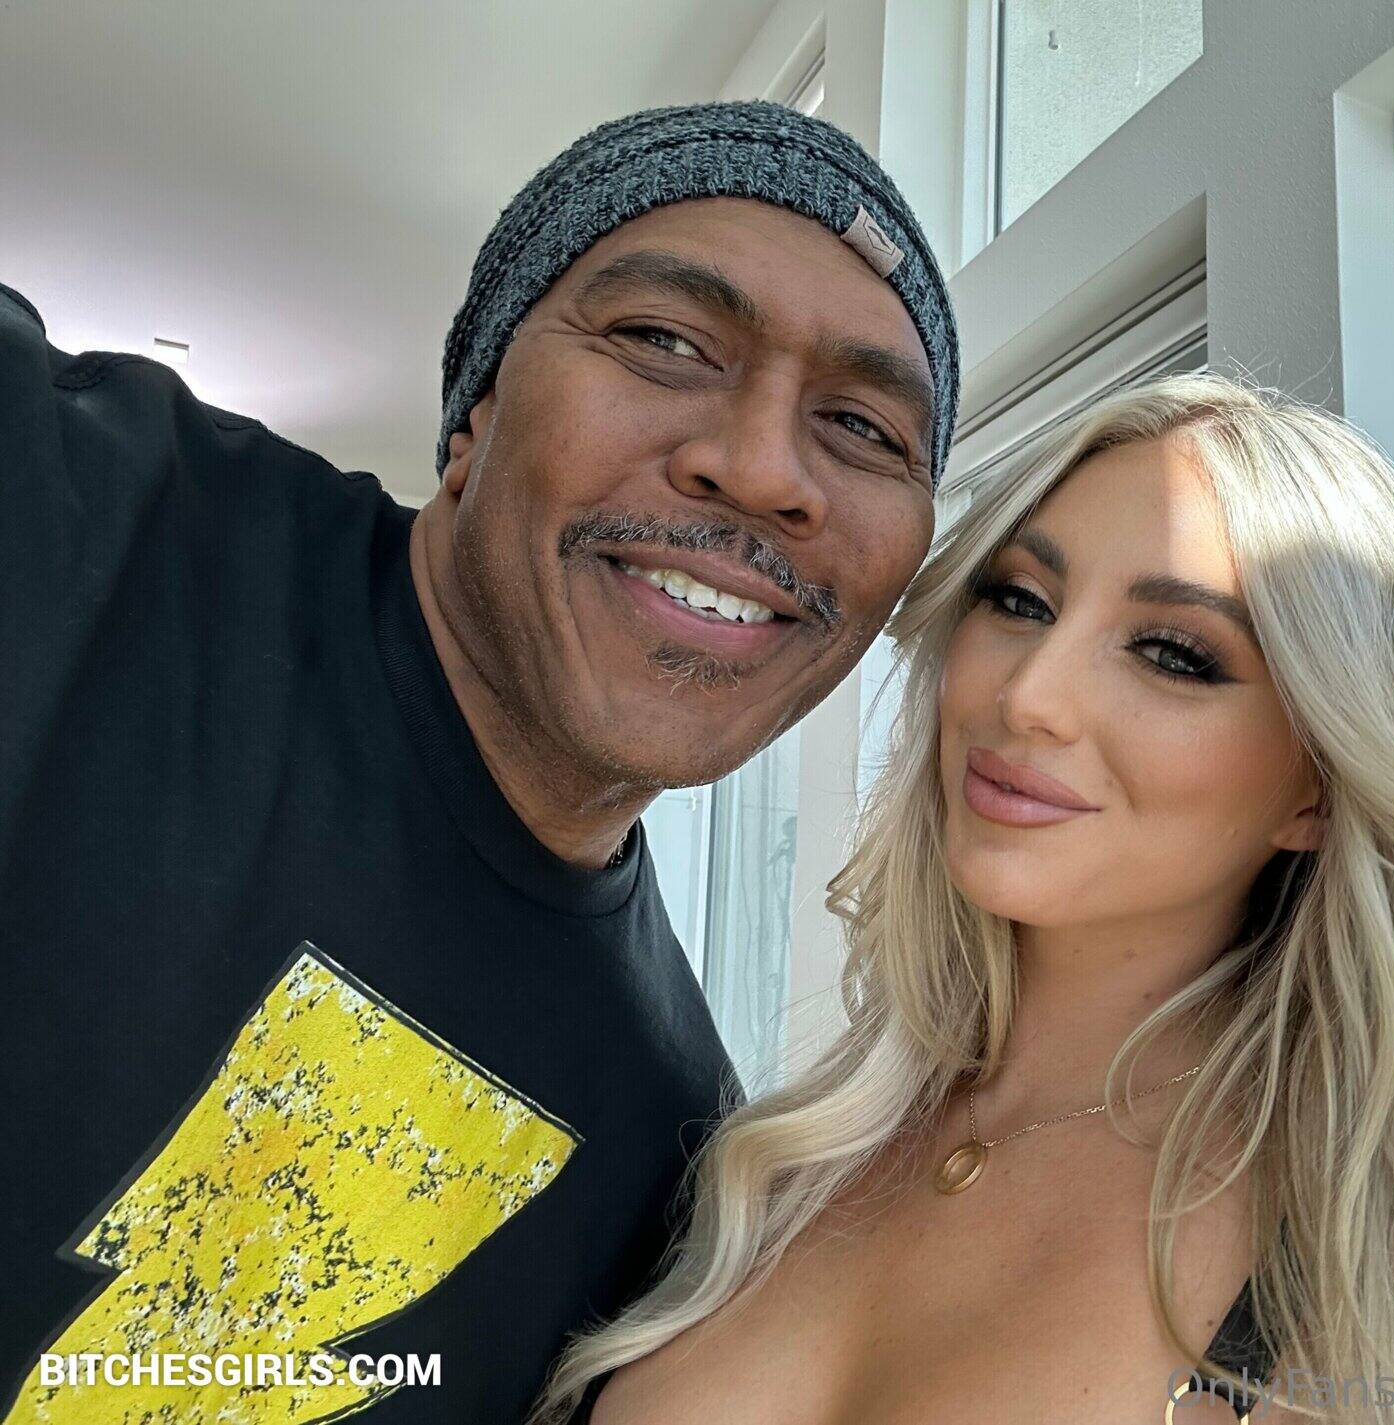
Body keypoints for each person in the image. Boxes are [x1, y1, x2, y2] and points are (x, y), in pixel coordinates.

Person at [0, 100, 958, 1424]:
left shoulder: (672, 1168)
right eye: (665, 341)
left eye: (863, 428)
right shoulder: (64, 505)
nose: (758, 468)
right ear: (475, 413)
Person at [540, 373, 1394, 1425]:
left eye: (1174, 654)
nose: (1028, 695)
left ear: (1320, 788)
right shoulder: (779, 1164)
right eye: (1021, 600)